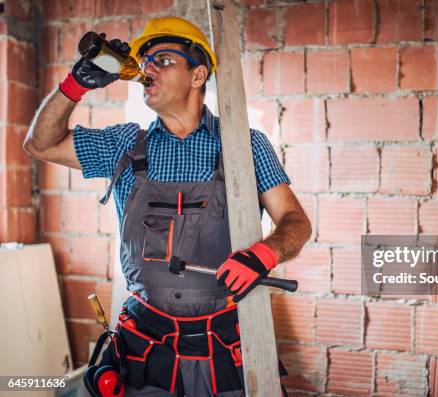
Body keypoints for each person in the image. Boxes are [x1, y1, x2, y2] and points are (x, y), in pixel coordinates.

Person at [24, 16, 311, 397]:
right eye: (146, 60)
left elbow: (296, 222)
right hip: (144, 349)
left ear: (197, 75)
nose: (148, 68)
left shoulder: (244, 145)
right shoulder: (124, 143)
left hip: (224, 349)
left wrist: (264, 254)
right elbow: (39, 145)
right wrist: (74, 85)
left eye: (164, 59)